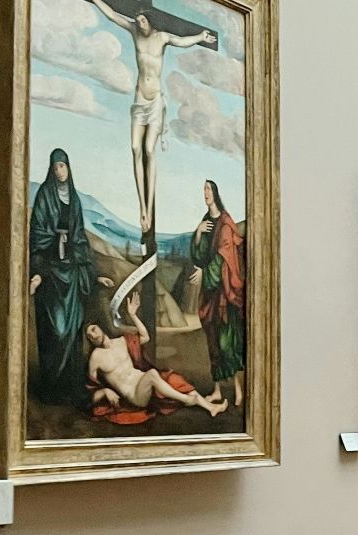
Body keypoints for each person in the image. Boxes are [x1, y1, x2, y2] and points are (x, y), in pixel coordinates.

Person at [85, 0, 217, 234]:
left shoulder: (162, 37)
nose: (139, 22)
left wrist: (199, 37)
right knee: (135, 149)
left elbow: (181, 41)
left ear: (150, 20)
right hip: (139, 101)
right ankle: (142, 209)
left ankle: (149, 208)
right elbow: (112, 15)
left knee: (148, 150)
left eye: (143, 19)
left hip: (155, 102)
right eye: (138, 19)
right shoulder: (134, 31)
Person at [28, 149, 115, 407]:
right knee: (56, 330)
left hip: (72, 274)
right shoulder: (45, 195)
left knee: (74, 331)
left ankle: (71, 386)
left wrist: (93, 274)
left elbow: (79, 238)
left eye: (63, 167)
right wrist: (40, 271)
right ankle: (52, 387)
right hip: (52, 273)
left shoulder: (74, 200)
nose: (59, 172)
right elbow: (37, 234)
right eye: (55, 167)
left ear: (69, 168)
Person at [84, 292, 227, 419]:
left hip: (145, 383)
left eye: (93, 330)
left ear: (100, 327)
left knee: (174, 379)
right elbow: (90, 393)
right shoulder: (96, 357)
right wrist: (105, 391)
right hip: (135, 395)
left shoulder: (122, 341)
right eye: (90, 336)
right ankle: (186, 399)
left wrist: (133, 315)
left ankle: (211, 407)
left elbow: (145, 337)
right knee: (153, 374)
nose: (93, 335)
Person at [189, 179, 247, 407]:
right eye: (203, 189)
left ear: (215, 193)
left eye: (208, 189)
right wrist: (197, 233)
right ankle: (216, 390)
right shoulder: (206, 222)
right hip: (211, 294)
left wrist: (205, 274)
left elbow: (225, 257)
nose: (205, 193)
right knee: (213, 341)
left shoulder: (224, 223)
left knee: (226, 343)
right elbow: (199, 256)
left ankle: (237, 389)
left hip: (224, 293)